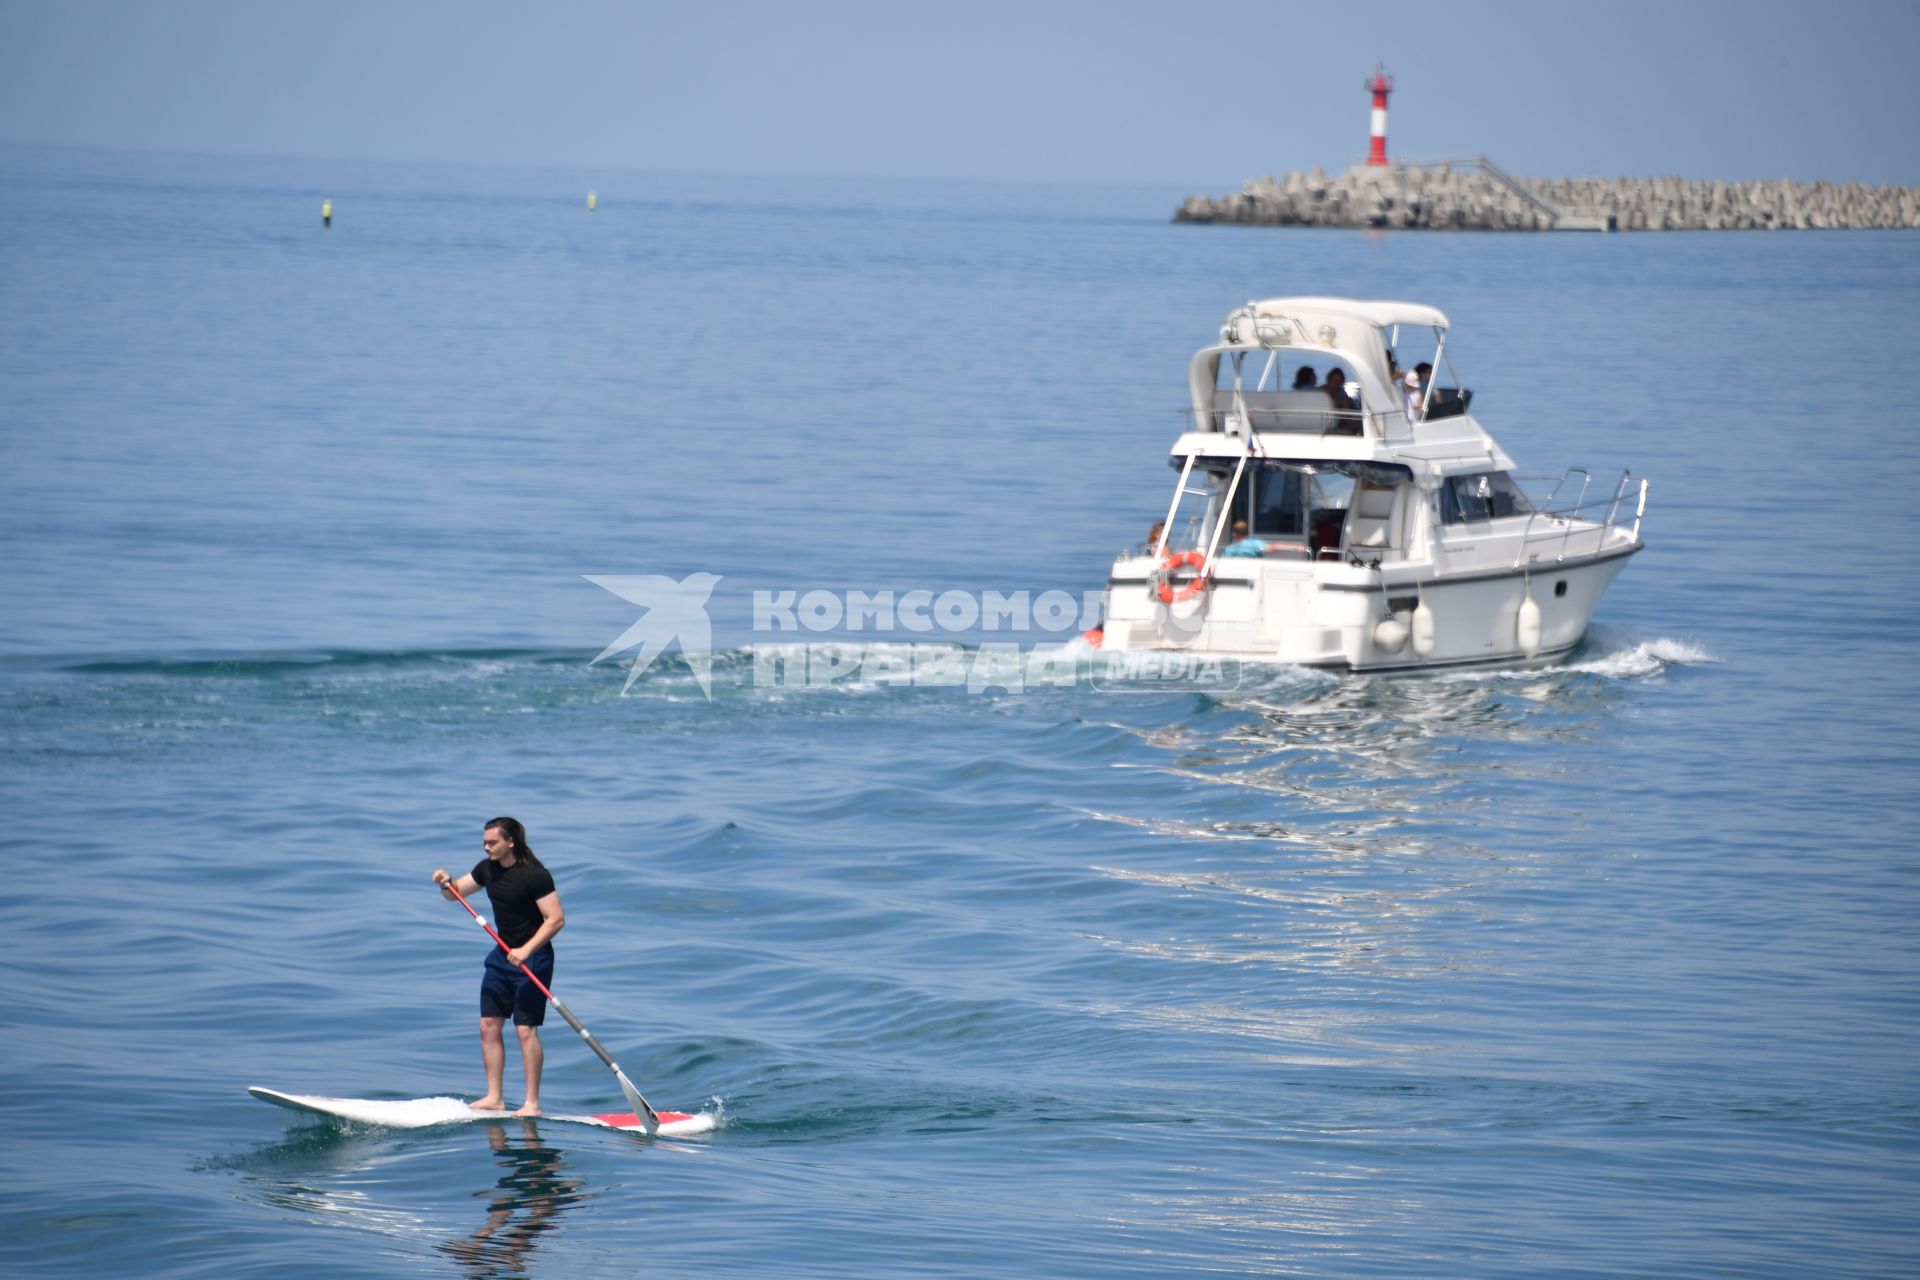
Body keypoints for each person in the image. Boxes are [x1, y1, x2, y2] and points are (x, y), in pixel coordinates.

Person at [433, 817, 566, 1116]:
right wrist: (445, 882)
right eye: (484, 842)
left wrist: (526, 949)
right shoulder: (487, 869)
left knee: (524, 1030)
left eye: (492, 842)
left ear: (511, 842)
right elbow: (454, 894)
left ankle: (532, 1103)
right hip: (502, 955)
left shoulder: (535, 875)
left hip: (535, 956)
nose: (486, 847)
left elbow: (555, 919)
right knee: (488, 1024)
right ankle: (495, 1097)